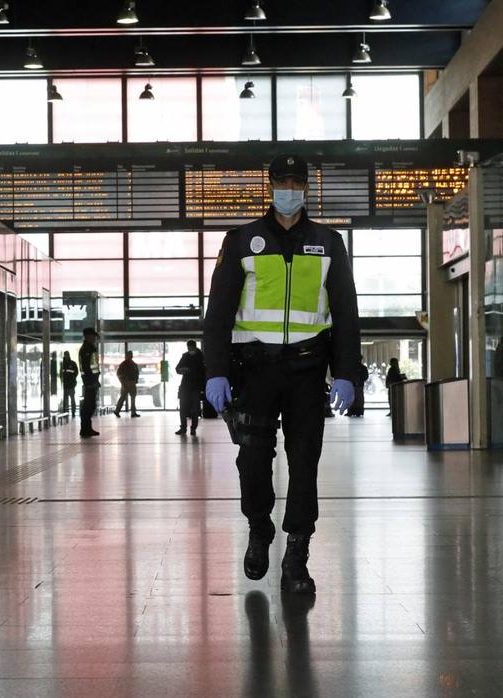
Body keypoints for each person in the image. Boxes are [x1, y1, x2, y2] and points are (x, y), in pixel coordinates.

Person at [203, 153, 360, 594]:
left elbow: (346, 314)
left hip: (308, 370)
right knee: (252, 459)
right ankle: (259, 527)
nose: (289, 189)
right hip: (255, 370)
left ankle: (297, 549)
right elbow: (218, 314)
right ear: (269, 185)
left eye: (296, 180)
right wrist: (215, 371)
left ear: (307, 186)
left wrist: (347, 373)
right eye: (282, 181)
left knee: (304, 461)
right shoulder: (241, 241)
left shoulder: (329, 243)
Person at [175, 340, 206, 436]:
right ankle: (183, 428)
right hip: (185, 386)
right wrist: (182, 370)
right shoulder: (185, 356)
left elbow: (204, 372)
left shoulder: (201, 356)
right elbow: (177, 368)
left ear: (195, 347)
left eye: (191, 348)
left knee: (195, 409)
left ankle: (193, 428)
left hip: (196, 387)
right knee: (183, 408)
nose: (189, 350)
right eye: (188, 348)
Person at [78, 328, 101, 438]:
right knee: (88, 405)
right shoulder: (86, 349)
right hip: (89, 381)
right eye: (93, 336)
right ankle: (85, 429)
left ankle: (87, 428)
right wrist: (91, 382)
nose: (95, 338)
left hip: (92, 381)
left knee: (91, 405)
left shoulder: (90, 348)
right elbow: (86, 368)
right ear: (87, 336)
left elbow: (93, 366)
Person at [114, 351, 141, 418]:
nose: (131, 356)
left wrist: (135, 381)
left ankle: (132, 412)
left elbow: (136, 373)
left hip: (131, 383)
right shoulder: (125, 364)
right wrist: (123, 382)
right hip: (126, 383)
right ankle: (117, 411)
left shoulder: (131, 364)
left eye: (131, 355)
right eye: (130, 355)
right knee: (124, 398)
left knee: (131, 398)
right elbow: (119, 374)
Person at [60, 351, 79, 417]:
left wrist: (72, 378)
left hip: (71, 385)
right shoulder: (62, 364)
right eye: (65, 355)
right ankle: (65, 412)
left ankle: (73, 412)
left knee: (72, 399)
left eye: (67, 355)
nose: (66, 356)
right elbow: (61, 374)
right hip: (65, 385)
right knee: (66, 400)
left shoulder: (72, 363)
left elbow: (76, 372)